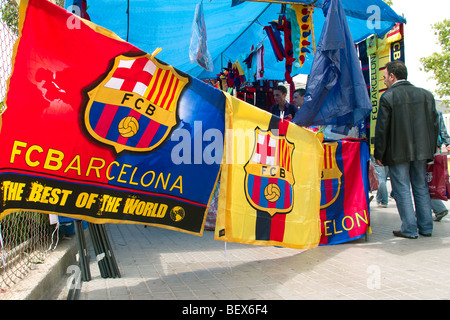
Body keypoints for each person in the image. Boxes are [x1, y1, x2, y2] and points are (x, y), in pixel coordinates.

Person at [374, 60, 439, 239]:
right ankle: (426, 227)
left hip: (397, 152)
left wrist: (379, 154)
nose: (384, 80)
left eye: (385, 77)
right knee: (420, 186)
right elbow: (435, 125)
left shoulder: (388, 97)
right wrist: (431, 150)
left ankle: (409, 229)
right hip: (421, 151)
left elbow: (382, 129)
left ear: (393, 76)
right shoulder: (426, 95)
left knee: (402, 188)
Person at [431, 112, 450, 222]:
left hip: (424, 148)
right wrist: (447, 143)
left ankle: (438, 208)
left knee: (423, 181)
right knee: (430, 179)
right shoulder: (436, 111)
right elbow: (442, 130)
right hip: (435, 147)